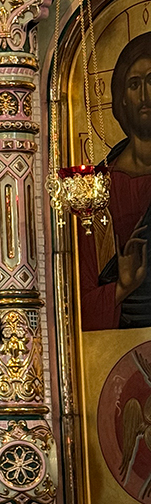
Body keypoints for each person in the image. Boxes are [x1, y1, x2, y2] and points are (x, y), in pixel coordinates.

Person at [79, 32, 151, 330]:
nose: (145, 95)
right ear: (121, 97)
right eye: (134, 84)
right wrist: (123, 286)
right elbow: (78, 303)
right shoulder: (94, 190)